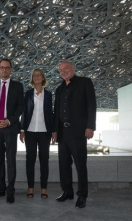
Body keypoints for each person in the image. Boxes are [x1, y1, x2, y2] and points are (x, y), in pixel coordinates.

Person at [53, 60, 96, 209]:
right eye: (61, 70)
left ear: (73, 68)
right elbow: (56, 112)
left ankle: (82, 195)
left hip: (78, 131)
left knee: (80, 165)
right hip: (62, 132)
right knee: (63, 165)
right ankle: (67, 191)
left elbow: (91, 105)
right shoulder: (59, 89)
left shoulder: (84, 82)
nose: (63, 71)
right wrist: (55, 130)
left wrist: (90, 126)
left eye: (66, 68)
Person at [0, 58, 24, 204]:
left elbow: (20, 107)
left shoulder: (18, 86)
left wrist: (9, 121)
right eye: (2, 67)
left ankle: (10, 190)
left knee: (11, 160)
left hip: (11, 127)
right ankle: (0, 188)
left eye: (7, 67)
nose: (4, 70)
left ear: (11, 70)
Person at [19, 69, 53, 199]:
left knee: (44, 160)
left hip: (45, 132)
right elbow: (24, 113)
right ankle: (31, 188)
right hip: (30, 131)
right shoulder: (28, 94)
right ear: (32, 78)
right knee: (30, 160)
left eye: (39, 75)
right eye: (34, 75)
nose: (37, 77)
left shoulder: (49, 95)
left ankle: (44, 188)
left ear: (43, 78)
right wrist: (22, 130)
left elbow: (51, 114)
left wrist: (54, 131)